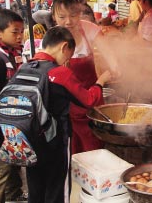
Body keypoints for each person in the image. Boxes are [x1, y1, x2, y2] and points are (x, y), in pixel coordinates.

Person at [26, 26, 112, 203]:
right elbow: (88, 100)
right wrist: (101, 81)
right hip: (54, 142)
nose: (68, 61)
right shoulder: (60, 73)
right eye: (68, 56)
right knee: (58, 188)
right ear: (64, 47)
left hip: (29, 141)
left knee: (36, 187)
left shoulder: (26, 67)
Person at [51, 0, 115, 154]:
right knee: (70, 147)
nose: (68, 22)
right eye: (62, 16)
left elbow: (110, 54)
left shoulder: (90, 29)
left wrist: (115, 67)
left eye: (73, 15)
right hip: (65, 104)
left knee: (93, 144)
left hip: (91, 99)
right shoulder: (52, 38)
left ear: (79, 13)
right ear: (54, 16)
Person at [0, 9, 26, 202]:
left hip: (10, 124)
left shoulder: (13, 53)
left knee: (11, 166)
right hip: (1, 127)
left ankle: (14, 196)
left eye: (21, 31)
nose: (19, 36)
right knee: (2, 172)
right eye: (14, 32)